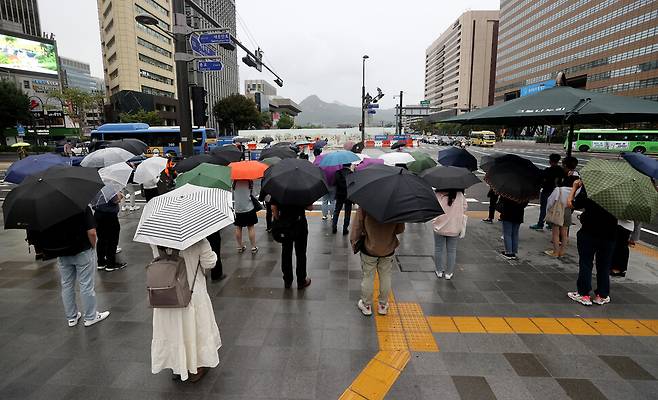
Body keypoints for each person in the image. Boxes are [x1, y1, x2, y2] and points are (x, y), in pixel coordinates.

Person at [26, 206, 110, 327]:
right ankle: (90, 316)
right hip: (82, 249)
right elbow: (92, 232)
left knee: (66, 284)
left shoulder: (50, 210)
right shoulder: (81, 206)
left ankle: (72, 317)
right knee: (86, 284)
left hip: (62, 252)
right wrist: (93, 246)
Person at [151, 238, 221, 383]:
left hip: (166, 293)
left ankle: (177, 365)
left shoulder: (155, 239)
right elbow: (209, 263)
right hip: (192, 293)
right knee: (196, 329)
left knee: (172, 330)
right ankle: (197, 366)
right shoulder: (198, 240)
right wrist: (213, 254)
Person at [567, 179, 617, 306]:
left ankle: (584, 294)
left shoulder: (591, 189)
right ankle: (602, 295)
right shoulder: (618, 192)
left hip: (589, 232)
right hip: (609, 234)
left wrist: (574, 188)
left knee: (586, 262)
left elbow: (571, 204)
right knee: (604, 265)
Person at [351, 207, 405, 316]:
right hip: (388, 247)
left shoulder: (366, 205)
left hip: (369, 246)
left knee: (368, 276)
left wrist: (354, 242)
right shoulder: (396, 206)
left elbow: (357, 226)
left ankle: (366, 305)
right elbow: (400, 229)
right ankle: (383, 306)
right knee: (385, 276)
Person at [272, 201, 313, 289]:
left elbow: (274, 208)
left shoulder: (280, 189)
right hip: (300, 223)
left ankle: (287, 280)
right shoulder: (303, 189)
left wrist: (278, 220)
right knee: (301, 253)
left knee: (286, 251)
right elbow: (310, 208)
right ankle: (301, 281)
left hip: (285, 224)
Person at [432, 189, 467, 280]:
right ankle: (449, 273)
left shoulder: (438, 194)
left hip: (439, 227)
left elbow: (432, 208)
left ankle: (439, 271)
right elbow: (465, 207)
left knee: (438, 249)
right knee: (452, 251)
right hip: (454, 227)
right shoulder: (459, 194)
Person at [530, 153, 565, 230]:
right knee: (554, 208)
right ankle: (550, 224)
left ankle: (540, 224)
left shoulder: (548, 171)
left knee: (544, 208)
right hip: (558, 192)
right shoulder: (561, 171)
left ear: (550, 161)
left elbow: (541, 179)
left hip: (547, 191)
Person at [94, 193, 126, 272]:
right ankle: (111, 263)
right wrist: (120, 195)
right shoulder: (109, 188)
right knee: (112, 240)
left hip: (98, 214)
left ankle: (101, 262)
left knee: (101, 239)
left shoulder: (96, 187)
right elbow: (115, 200)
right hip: (109, 215)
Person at [543, 183, 572, 257]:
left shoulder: (558, 189)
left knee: (555, 233)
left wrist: (548, 210)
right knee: (564, 233)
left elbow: (551, 201)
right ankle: (562, 252)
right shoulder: (574, 190)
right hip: (567, 210)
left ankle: (555, 252)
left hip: (558, 211)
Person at [233, 180, 258, 254]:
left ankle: (239, 246)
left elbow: (234, 194)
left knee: (238, 227)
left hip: (238, 208)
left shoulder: (234, 182)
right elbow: (254, 194)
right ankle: (253, 247)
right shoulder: (249, 182)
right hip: (249, 208)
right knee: (250, 227)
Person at [332, 164, 353, 235]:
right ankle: (345, 229)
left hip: (339, 194)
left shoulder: (338, 173)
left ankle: (334, 227)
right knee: (347, 212)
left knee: (337, 211)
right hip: (348, 195)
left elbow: (334, 183)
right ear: (350, 165)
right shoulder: (351, 173)